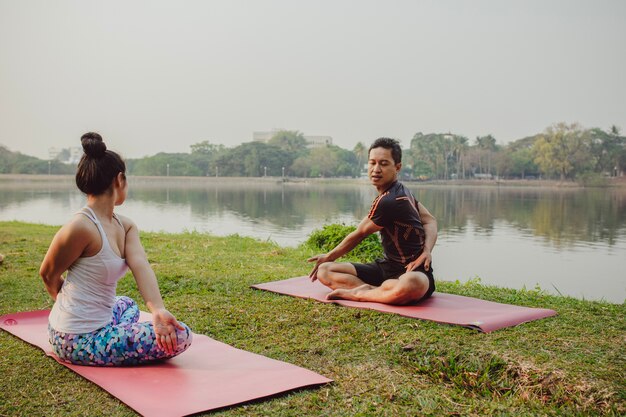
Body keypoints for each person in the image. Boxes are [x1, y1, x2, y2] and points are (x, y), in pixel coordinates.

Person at [40, 132, 192, 366]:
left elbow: (140, 265)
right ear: (119, 180)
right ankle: (87, 339)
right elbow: (48, 274)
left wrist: (158, 310)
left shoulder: (125, 225)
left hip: (100, 323)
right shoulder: (80, 227)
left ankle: (113, 332)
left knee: (127, 304)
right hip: (76, 338)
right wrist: (71, 308)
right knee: (181, 336)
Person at [308, 137, 437, 305]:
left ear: (397, 167)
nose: (376, 169)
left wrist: (427, 251)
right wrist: (328, 260)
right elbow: (430, 221)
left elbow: (359, 233)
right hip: (385, 267)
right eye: (372, 163)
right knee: (325, 271)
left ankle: (360, 294)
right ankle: (381, 292)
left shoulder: (393, 199)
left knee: (411, 285)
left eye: (383, 164)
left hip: (414, 271)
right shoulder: (400, 191)